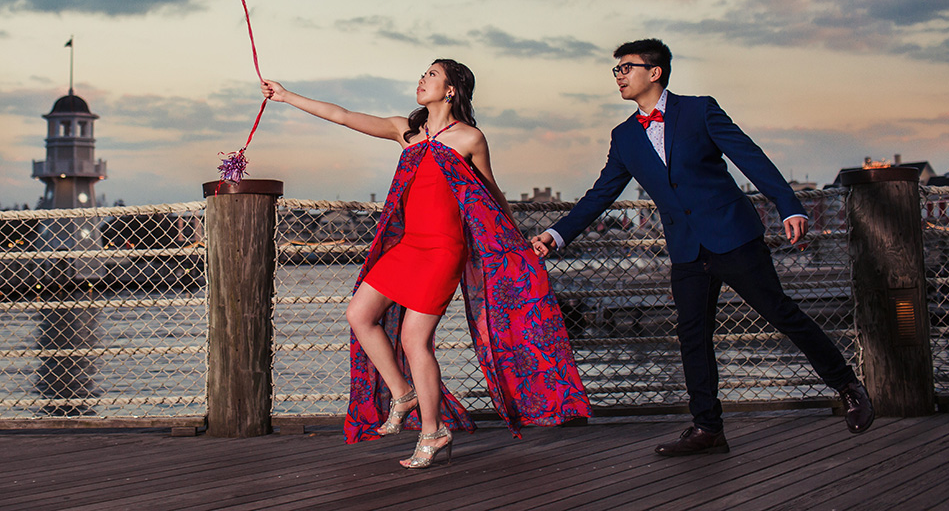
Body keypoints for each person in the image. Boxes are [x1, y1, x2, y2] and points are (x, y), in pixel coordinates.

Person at [531, 39, 875, 456]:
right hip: (686, 248)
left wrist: (788, 206)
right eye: (616, 70)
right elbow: (601, 193)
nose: (618, 76)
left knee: (781, 312)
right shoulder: (624, 137)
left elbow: (751, 158)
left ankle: (847, 386)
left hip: (732, 234)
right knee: (692, 336)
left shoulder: (700, 109)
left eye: (625, 68)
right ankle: (708, 429)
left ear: (654, 72)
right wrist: (558, 233)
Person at [262, 59, 589, 469]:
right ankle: (403, 393)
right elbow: (343, 116)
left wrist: (518, 241)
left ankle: (432, 431)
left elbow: (490, 194)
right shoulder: (407, 131)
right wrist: (286, 95)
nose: (422, 79)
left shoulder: (470, 137)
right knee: (359, 314)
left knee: (416, 341)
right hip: (407, 246)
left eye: (431, 75)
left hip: (443, 251)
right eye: (422, 74)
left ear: (451, 90)